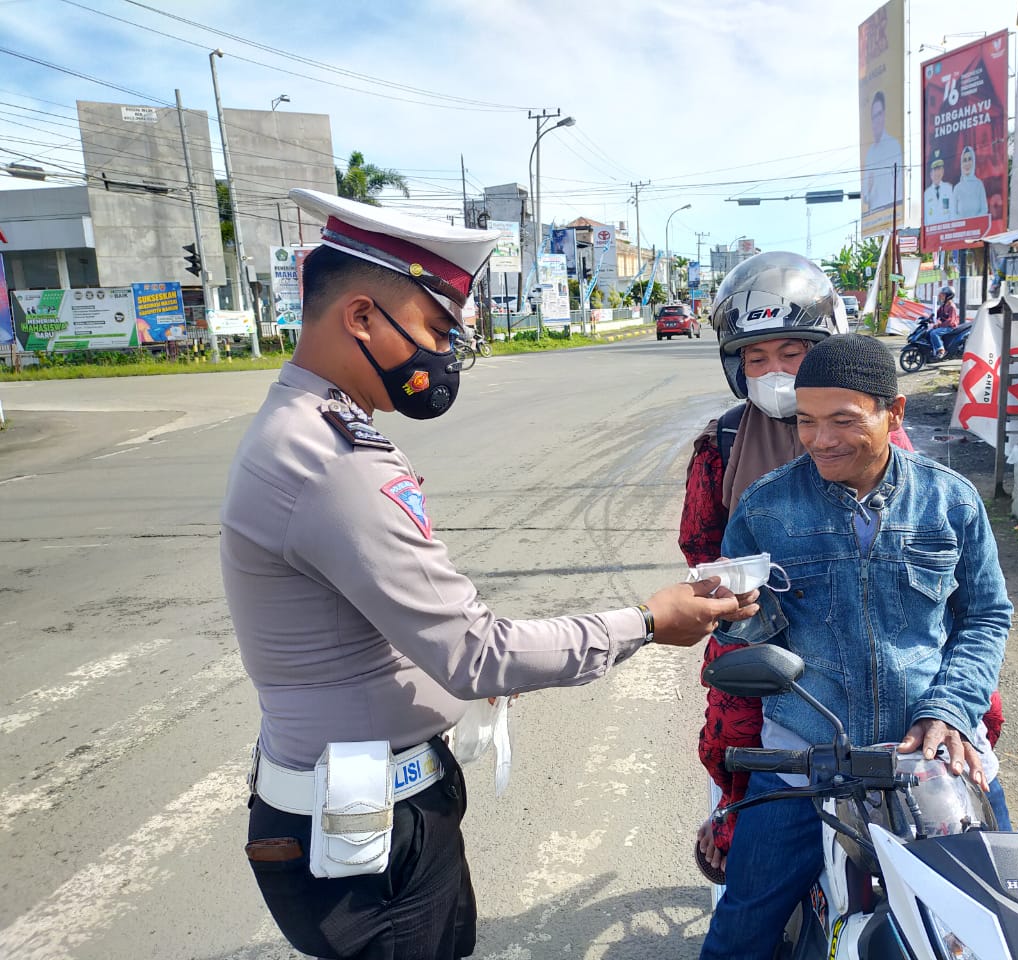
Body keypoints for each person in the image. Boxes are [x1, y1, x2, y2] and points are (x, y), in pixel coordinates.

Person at [221, 188, 757, 960]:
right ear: (361, 316)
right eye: (436, 328)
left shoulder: (310, 427)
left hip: (361, 807)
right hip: (365, 841)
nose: (445, 355)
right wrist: (647, 622)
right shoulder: (328, 460)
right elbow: (476, 653)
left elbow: (385, 624)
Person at [679, 254, 1006, 883]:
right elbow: (704, 556)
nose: (775, 372)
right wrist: (732, 605)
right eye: (756, 357)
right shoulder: (724, 453)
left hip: (922, 723)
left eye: (792, 353)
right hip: (793, 703)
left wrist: (954, 705)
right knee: (746, 884)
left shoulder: (934, 488)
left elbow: (977, 611)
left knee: (992, 892)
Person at [862, 90, 904, 214]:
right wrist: (868, 190)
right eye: (874, 116)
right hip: (875, 218)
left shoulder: (893, 145)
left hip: (891, 216)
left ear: (884, 115)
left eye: (879, 114)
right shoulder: (870, 154)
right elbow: (865, 197)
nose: (877, 120)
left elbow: (899, 188)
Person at [952, 145, 989, 220]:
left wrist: (973, 223)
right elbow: (953, 213)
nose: (967, 163)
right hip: (961, 230)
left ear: (973, 161)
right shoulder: (957, 188)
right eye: (964, 160)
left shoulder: (979, 185)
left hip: (978, 228)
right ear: (961, 164)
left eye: (969, 159)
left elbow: (984, 209)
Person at [922, 149, 954, 227]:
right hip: (932, 234)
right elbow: (925, 218)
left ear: (943, 171)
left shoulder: (949, 188)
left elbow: (953, 212)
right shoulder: (926, 194)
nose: (937, 173)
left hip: (948, 231)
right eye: (935, 170)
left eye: (939, 169)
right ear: (930, 173)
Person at [928, 285, 960, 358]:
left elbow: (950, 321)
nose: (940, 296)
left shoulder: (952, 306)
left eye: (943, 295)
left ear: (948, 296)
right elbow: (937, 313)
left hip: (950, 327)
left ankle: (941, 350)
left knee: (934, 333)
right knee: (929, 332)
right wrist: (928, 318)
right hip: (944, 325)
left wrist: (939, 325)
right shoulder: (943, 305)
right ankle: (932, 350)